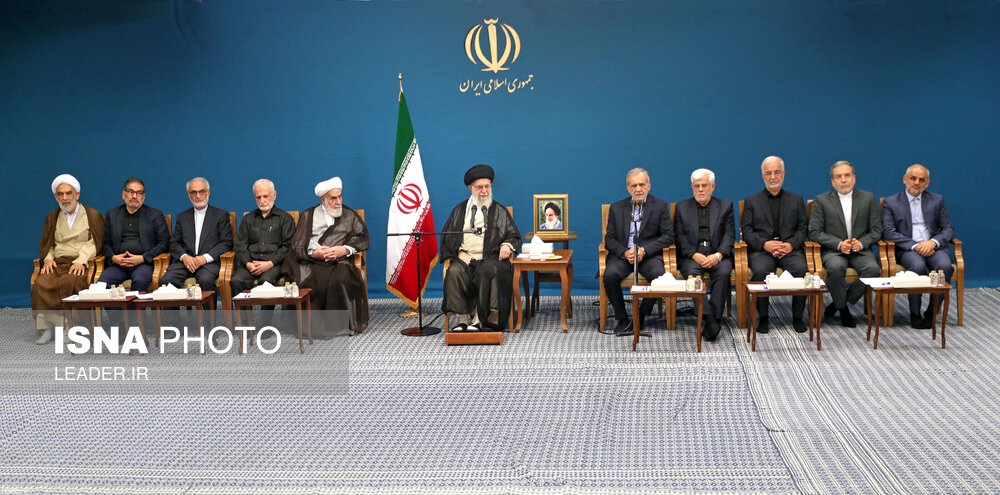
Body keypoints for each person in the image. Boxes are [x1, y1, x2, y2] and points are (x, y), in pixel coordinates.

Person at [282, 177, 369, 334]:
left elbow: (362, 237)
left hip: (340, 261)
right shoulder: (308, 215)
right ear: (323, 199)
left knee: (340, 278)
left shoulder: (349, 215)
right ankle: (313, 327)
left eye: (340, 197)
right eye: (333, 198)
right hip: (312, 261)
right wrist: (315, 252)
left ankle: (341, 325)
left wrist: (344, 249)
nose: (338, 201)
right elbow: (299, 241)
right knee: (311, 280)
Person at [441, 164, 522, 331]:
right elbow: (447, 237)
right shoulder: (459, 211)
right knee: (454, 271)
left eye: (487, 186)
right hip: (466, 258)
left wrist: (507, 245)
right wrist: (459, 252)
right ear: (470, 188)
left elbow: (514, 236)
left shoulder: (499, 210)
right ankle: (463, 320)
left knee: (487, 270)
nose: (484, 191)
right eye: (480, 187)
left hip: (490, 258)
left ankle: (480, 321)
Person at [32, 174, 105, 344]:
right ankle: (46, 328)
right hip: (58, 262)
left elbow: (95, 242)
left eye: (68, 193)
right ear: (56, 197)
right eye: (61, 194)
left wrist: (81, 261)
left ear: (77, 194)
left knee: (72, 281)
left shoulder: (92, 215)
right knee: (42, 282)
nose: (65, 198)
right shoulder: (52, 217)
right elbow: (48, 244)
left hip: (81, 262)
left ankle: (69, 327)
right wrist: (48, 259)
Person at [740, 156, 809, 334]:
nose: (773, 177)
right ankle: (763, 317)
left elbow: (803, 228)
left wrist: (790, 245)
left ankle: (797, 317)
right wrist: (765, 244)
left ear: (783, 174)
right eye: (768, 173)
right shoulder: (752, 201)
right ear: (762, 176)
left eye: (777, 172)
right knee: (760, 271)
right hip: (762, 251)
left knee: (801, 269)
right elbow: (746, 231)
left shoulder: (796, 200)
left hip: (790, 249)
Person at [809, 161, 881, 327]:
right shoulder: (822, 200)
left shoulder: (867, 198)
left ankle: (838, 304)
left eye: (847, 175)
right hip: (834, 251)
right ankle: (843, 310)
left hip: (860, 251)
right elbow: (814, 232)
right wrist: (839, 244)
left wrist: (861, 243)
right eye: (838, 177)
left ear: (854, 178)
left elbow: (877, 230)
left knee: (873, 269)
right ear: (832, 181)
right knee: (836, 268)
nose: (843, 180)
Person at [882, 164, 954, 329]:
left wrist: (933, 242)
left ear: (927, 183)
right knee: (917, 267)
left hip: (933, 247)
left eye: (921, 180)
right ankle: (915, 314)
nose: (916, 183)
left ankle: (931, 312)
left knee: (945, 266)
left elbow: (948, 229)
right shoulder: (891, 202)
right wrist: (915, 245)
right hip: (908, 248)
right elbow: (888, 232)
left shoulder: (937, 200)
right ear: (905, 179)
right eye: (913, 178)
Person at [603, 168, 672, 335]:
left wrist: (645, 250)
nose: (638, 189)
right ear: (628, 188)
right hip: (623, 255)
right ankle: (622, 318)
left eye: (642, 185)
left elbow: (669, 236)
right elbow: (609, 239)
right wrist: (624, 252)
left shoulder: (660, 206)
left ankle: (640, 314)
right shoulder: (616, 208)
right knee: (609, 275)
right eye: (634, 186)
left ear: (649, 186)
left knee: (659, 276)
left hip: (648, 256)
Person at [674, 168, 735, 341]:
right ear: (692, 187)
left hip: (718, 254)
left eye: (704, 185)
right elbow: (679, 237)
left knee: (723, 272)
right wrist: (694, 254)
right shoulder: (681, 207)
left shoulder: (725, 206)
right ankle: (709, 318)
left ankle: (714, 317)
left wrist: (718, 255)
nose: (700, 189)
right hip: (692, 256)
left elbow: (729, 235)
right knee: (693, 276)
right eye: (697, 186)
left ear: (712, 186)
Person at [159, 177, 233, 293]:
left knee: (205, 280)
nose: (198, 196)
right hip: (186, 263)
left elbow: (227, 242)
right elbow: (174, 243)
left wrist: (205, 258)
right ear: (189, 195)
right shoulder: (182, 217)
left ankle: (209, 306)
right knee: (165, 281)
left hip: (209, 263)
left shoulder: (220, 215)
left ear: (208, 193)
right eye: (194, 192)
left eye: (202, 192)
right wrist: (185, 257)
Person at [98, 178, 170, 293]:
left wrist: (143, 258)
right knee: (102, 283)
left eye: (139, 193)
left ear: (143, 197)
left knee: (140, 280)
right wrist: (113, 258)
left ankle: (135, 306)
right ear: (123, 194)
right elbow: (106, 243)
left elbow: (164, 243)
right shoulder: (112, 214)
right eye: (131, 192)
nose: (135, 196)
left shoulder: (155, 215)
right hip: (118, 265)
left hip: (144, 264)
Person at [230, 179, 295, 297]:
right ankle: (244, 310)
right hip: (251, 264)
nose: (262, 201)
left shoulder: (285, 219)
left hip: (274, 264)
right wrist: (248, 263)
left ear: (274, 195)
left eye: (265, 196)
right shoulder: (248, 219)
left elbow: (287, 246)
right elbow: (240, 246)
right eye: (258, 197)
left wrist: (270, 263)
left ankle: (266, 311)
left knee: (266, 281)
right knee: (237, 280)